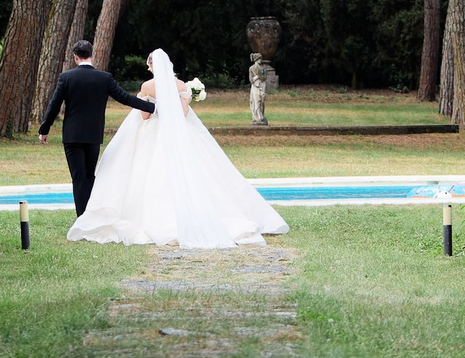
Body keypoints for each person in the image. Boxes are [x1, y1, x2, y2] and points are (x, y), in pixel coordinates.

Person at [66, 48, 288, 248]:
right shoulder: (180, 85)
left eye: (148, 64)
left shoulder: (147, 86)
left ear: (152, 66)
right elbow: (182, 114)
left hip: (152, 132)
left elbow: (144, 114)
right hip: (180, 134)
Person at [36, 39, 154, 219]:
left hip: (72, 135)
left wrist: (44, 129)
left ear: (76, 57)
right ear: (92, 55)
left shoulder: (66, 77)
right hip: (93, 134)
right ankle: (89, 215)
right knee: (90, 175)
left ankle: (82, 217)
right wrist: (152, 107)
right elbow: (125, 98)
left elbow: (54, 106)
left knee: (78, 177)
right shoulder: (104, 77)